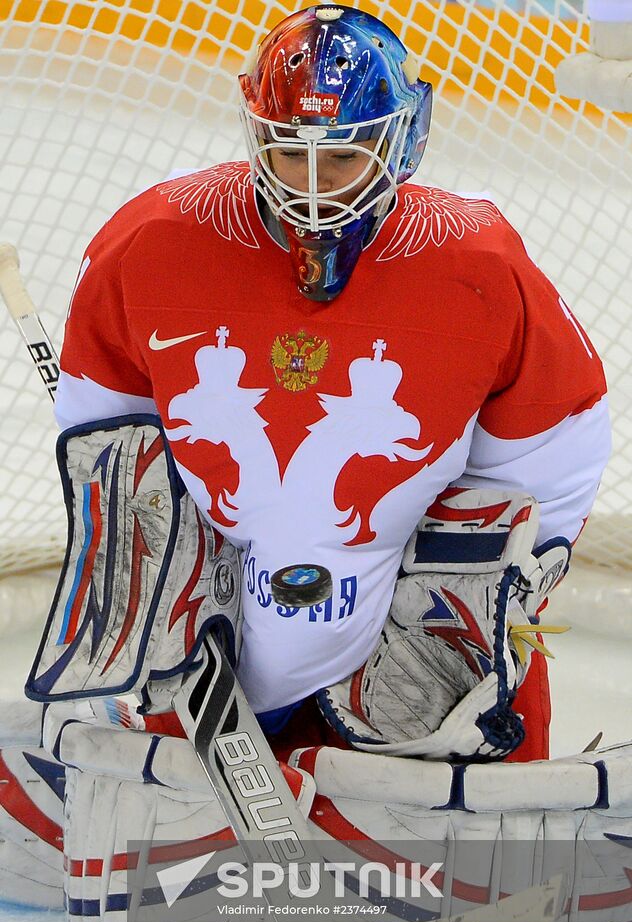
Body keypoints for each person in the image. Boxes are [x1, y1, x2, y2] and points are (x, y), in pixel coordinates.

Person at [53, 4, 610, 765]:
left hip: (411, 655)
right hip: (211, 646)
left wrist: (468, 595)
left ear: (403, 137)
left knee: (482, 787)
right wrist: (149, 554)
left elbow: (558, 434)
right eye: (291, 154)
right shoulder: (152, 241)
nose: (314, 188)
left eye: (343, 157)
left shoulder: (478, 263)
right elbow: (110, 445)